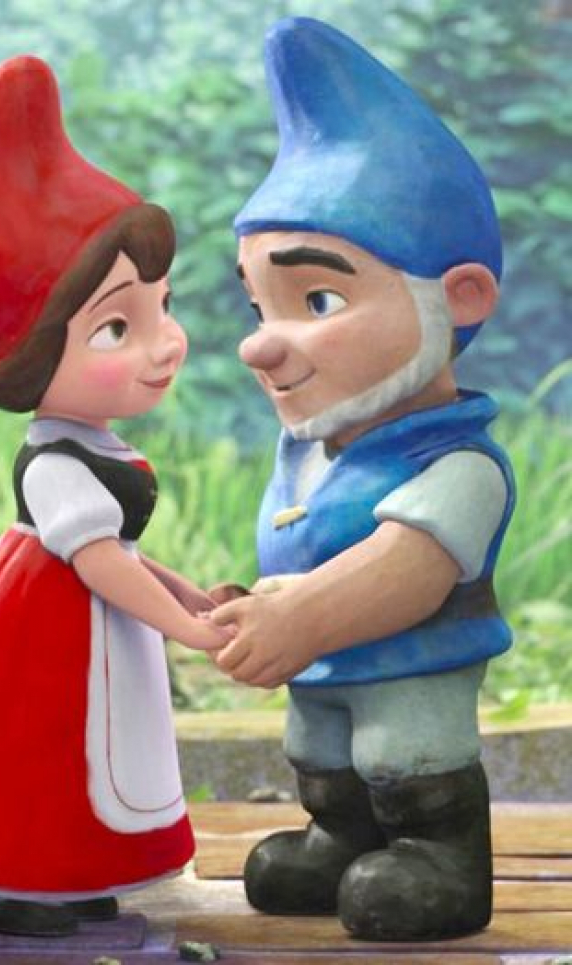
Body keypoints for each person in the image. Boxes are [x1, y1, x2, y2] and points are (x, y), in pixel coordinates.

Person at [0, 55, 229, 938]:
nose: (165, 343)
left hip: (89, 629)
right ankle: (28, 884)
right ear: (35, 354)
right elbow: (103, 562)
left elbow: (124, 552)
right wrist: (186, 626)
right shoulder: (53, 463)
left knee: (95, 758)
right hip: (50, 637)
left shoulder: (98, 447)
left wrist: (192, 596)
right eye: (118, 326)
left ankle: (81, 873)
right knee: (44, 754)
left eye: (162, 307)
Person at [210, 18, 515, 941]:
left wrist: (301, 617)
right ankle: (339, 835)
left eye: (318, 299)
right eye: (258, 305)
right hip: (322, 677)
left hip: (406, 679)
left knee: (403, 752)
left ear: (459, 297)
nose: (260, 345)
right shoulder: (311, 449)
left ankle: (440, 858)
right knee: (327, 756)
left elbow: (404, 570)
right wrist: (260, 604)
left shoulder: (456, 465)